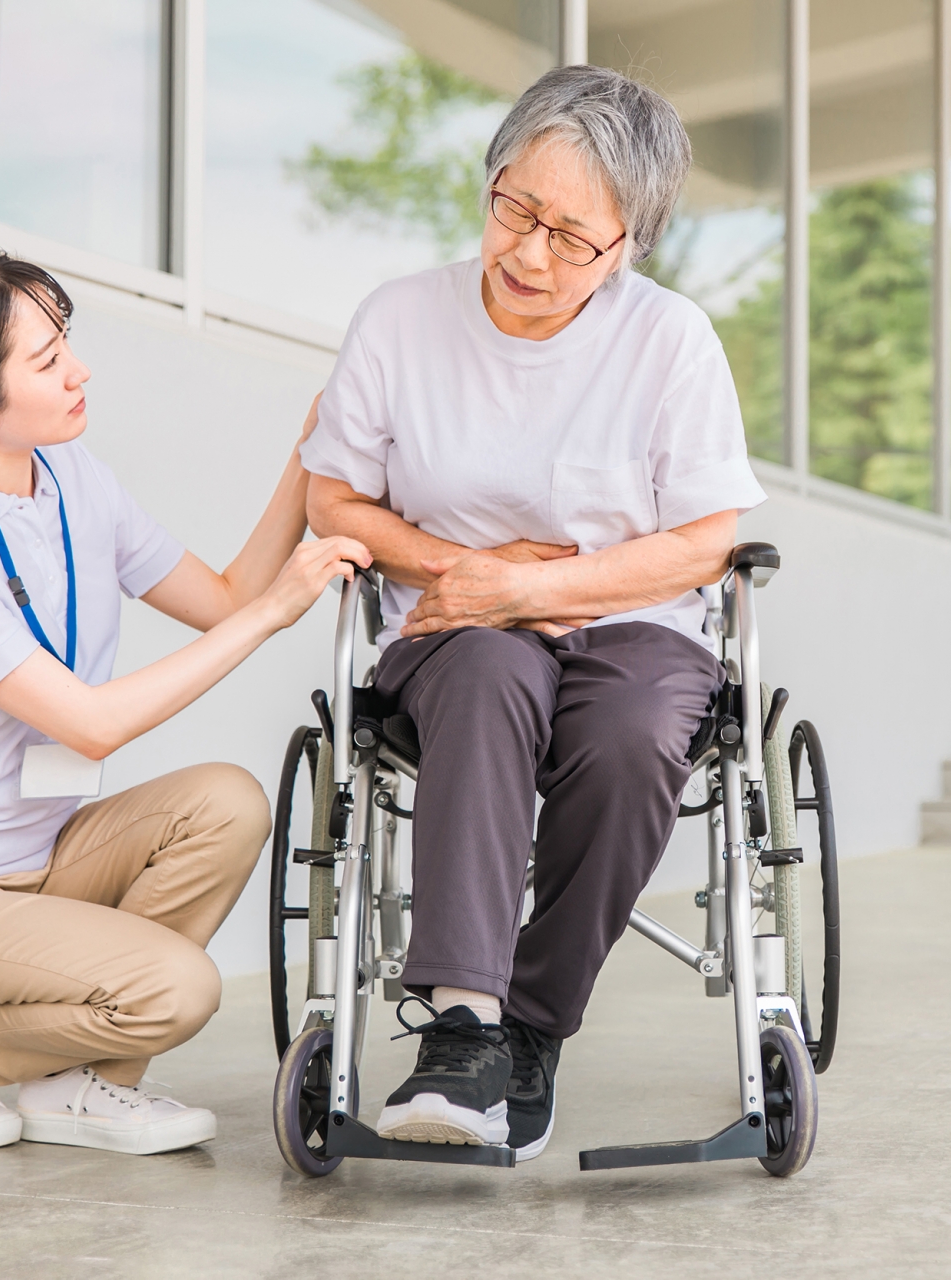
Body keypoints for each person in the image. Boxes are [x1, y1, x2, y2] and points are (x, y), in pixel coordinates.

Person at [0, 245, 366, 1155]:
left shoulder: (74, 481)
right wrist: (271, 619)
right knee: (179, 990)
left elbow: (221, 596)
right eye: (47, 360)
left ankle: (77, 1085)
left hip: (42, 852)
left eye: (67, 344)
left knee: (226, 801)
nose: (79, 370)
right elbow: (92, 723)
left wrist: (311, 447)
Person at [302, 65, 766, 1158]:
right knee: (491, 672)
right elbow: (333, 497)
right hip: (449, 628)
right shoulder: (399, 319)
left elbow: (707, 537)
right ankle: (461, 1027)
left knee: (632, 733)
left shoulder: (670, 340)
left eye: (573, 236)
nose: (529, 253)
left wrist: (538, 587)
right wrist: (472, 577)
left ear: (630, 245)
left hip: (637, 625)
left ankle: (535, 1026)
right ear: (492, 178)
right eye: (516, 207)